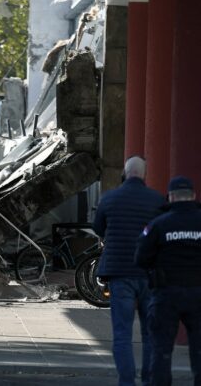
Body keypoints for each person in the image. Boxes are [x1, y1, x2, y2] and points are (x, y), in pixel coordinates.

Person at [93, 156, 165, 386]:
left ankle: (126, 382)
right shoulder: (157, 200)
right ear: (144, 174)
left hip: (119, 273)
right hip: (148, 275)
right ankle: (148, 380)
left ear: (124, 173)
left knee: (122, 334)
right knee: (149, 334)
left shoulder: (109, 198)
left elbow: (98, 228)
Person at [136, 176, 201, 386]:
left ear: (171, 197)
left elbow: (141, 258)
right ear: (193, 196)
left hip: (166, 295)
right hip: (199, 294)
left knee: (161, 350)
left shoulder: (159, 224)